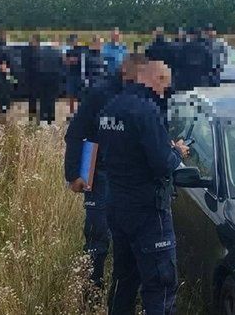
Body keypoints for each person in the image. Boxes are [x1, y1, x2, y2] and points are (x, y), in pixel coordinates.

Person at [96, 55, 190, 315]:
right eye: (165, 86)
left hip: (117, 206)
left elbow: (112, 151)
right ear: (156, 79)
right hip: (148, 213)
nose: (165, 93)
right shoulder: (146, 110)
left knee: (124, 278)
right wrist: (178, 152)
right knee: (160, 285)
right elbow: (162, 164)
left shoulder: (111, 107)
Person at [64, 55, 127, 290]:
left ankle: (121, 292)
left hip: (130, 176)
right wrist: (73, 174)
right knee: (97, 237)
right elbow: (74, 134)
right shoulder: (99, 95)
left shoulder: (144, 97)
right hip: (99, 172)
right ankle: (91, 293)